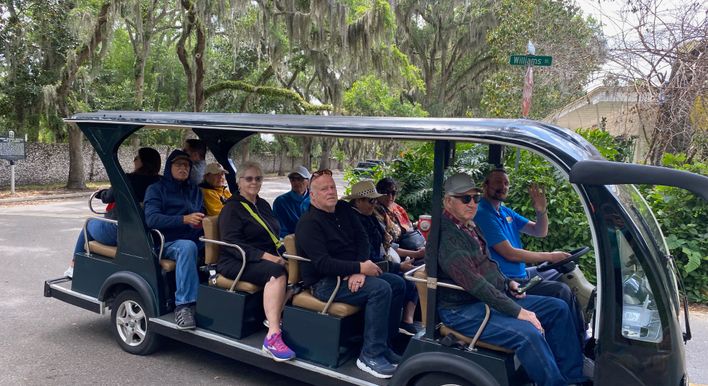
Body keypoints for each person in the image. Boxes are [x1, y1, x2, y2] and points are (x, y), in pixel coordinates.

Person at [434, 172, 587, 386]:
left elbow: (488, 265)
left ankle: (573, 377)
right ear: (448, 201)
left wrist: (508, 283)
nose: (472, 204)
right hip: (462, 310)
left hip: (485, 300)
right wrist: (520, 312)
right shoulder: (449, 238)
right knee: (527, 333)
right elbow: (476, 284)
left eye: (475, 198)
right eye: (465, 198)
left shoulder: (467, 225)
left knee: (558, 308)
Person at [295, 169, 404, 379]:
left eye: (332, 187)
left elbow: (362, 239)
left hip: (351, 273)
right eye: (324, 189)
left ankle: (384, 345)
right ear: (312, 194)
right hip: (324, 283)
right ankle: (369, 356)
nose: (330, 192)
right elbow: (323, 264)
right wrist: (359, 268)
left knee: (397, 283)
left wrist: (360, 268)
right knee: (380, 289)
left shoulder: (343, 209)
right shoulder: (308, 223)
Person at [473, 168, 586, 345]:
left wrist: (541, 211)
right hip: (507, 280)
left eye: (506, 183)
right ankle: (575, 343)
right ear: (485, 185)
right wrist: (550, 256)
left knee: (563, 273)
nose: (503, 186)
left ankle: (579, 334)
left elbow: (539, 231)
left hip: (523, 273)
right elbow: (509, 253)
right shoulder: (483, 213)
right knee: (560, 291)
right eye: (497, 182)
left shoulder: (505, 212)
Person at [217, 161, 295, 362]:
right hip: (235, 260)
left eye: (258, 178)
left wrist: (289, 255)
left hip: (260, 258)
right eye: (249, 178)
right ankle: (272, 337)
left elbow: (273, 237)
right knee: (276, 272)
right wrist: (267, 257)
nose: (254, 182)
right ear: (239, 182)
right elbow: (231, 243)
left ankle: (274, 316)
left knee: (301, 271)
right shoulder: (232, 208)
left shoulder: (262, 205)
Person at [66, 147, 162, 278]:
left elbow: (108, 197)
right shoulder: (161, 182)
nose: (134, 160)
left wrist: (100, 193)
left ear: (144, 162)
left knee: (88, 224)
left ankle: (74, 266)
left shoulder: (128, 179)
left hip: (120, 232)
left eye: (137, 157)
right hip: (149, 234)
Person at [346, 180, 419, 336]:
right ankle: (387, 335)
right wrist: (398, 267)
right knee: (398, 282)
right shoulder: (354, 220)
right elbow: (367, 257)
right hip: (362, 268)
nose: (374, 204)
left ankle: (402, 324)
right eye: (371, 200)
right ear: (358, 201)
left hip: (376, 261)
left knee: (411, 278)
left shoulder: (369, 216)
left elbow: (382, 244)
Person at [144, 150, 204, 330]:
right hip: (166, 242)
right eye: (178, 165)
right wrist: (184, 219)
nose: (183, 168)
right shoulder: (156, 189)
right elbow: (151, 219)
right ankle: (184, 305)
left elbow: (202, 213)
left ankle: (217, 298)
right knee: (187, 247)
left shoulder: (195, 190)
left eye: (186, 165)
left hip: (193, 236)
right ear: (169, 167)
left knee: (223, 244)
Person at [375, 178, 426, 255]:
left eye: (393, 193)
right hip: (393, 254)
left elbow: (408, 228)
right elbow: (386, 245)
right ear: (378, 193)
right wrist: (416, 254)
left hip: (411, 246)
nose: (390, 196)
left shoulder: (396, 208)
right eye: (386, 192)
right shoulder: (375, 212)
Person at [272, 165, 311, 237]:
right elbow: (280, 230)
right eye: (292, 179)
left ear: (308, 181)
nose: (296, 182)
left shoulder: (316, 200)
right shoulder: (281, 202)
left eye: (300, 179)